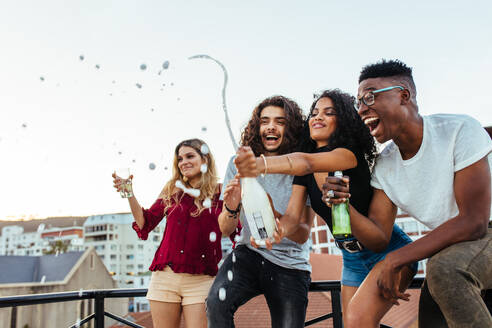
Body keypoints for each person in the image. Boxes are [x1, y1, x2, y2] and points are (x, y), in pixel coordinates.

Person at [324, 59, 492, 327]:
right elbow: (379, 237)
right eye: (358, 103)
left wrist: (396, 258)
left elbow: (474, 222)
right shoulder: (385, 166)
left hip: (484, 234)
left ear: (404, 95)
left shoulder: (459, 130)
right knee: (429, 316)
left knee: (445, 272)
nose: (362, 108)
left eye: (369, 96)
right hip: (450, 247)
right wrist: (341, 204)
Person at [234, 89, 417, 328]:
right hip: (351, 259)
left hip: (390, 252)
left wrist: (260, 164)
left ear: (342, 122)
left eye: (329, 113)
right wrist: (277, 227)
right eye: (314, 112)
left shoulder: (348, 156)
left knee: (358, 322)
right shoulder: (304, 174)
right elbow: (292, 217)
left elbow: (307, 160)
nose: (317, 117)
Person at [206, 96, 313, 328]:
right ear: (257, 127)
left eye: (280, 121)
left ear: (291, 127)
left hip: (290, 262)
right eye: (265, 121)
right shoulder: (238, 163)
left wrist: (274, 217)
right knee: (216, 304)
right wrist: (231, 206)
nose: (271, 126)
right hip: (248, 254)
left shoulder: (302, 165)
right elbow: (226, 229)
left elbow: (303, 233)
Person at [112, 138, 235, 328]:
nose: (183, 162)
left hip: (201, 280)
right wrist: (129, 193)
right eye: (180, 158)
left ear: (205, 160)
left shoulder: (221, 192)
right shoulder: (172, 190)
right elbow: (145, 223)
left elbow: (235, 232)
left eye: (190, 156)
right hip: (164, 279)